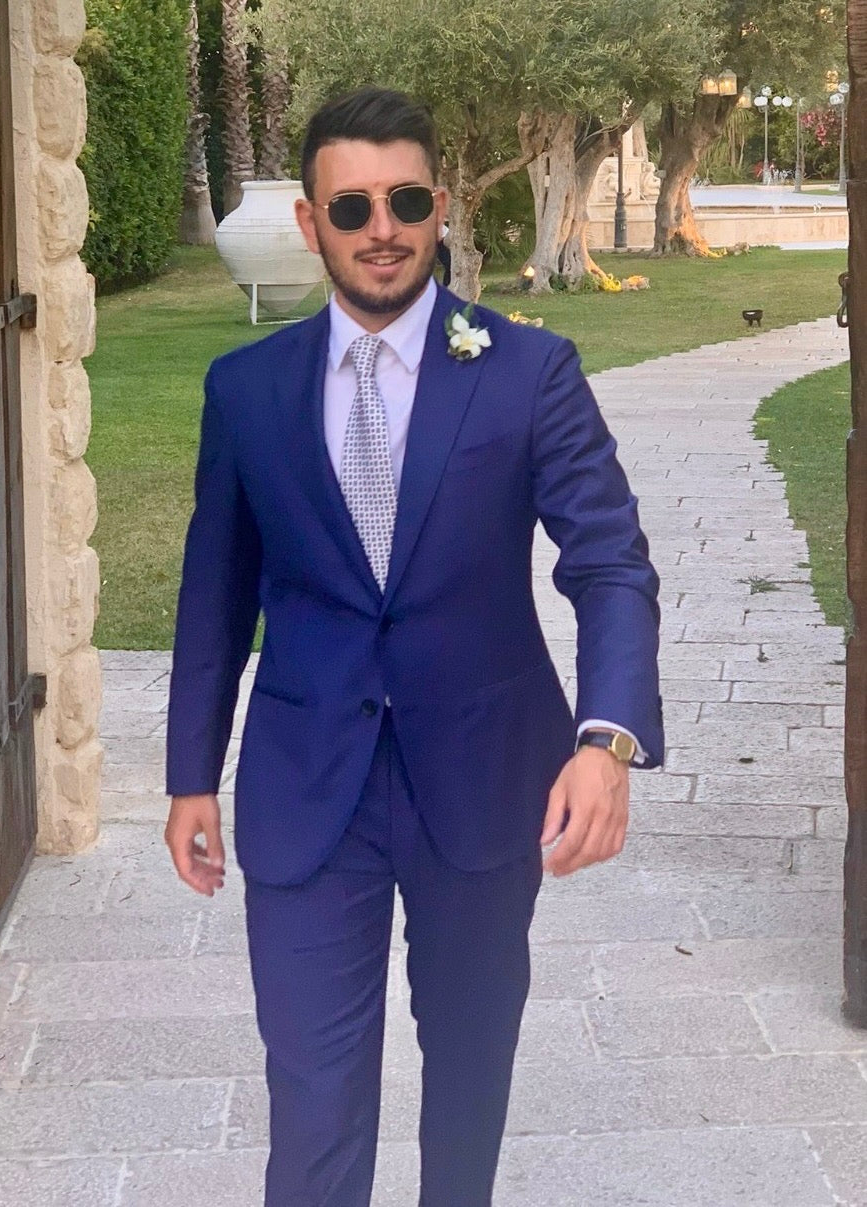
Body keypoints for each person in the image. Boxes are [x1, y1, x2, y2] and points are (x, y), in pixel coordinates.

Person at [165, 86, 662, 1207]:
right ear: (311, 222)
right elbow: (214, 598)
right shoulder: (244, 391)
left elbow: (612, 563)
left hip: (484, 786)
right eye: (351, 205)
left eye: (402, 199)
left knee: (469, 1090)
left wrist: (608, 737)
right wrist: (191, 775)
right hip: (307, 794)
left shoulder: (532, 373)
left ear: (437, 207)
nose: (379, 226)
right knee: (314, 1104)